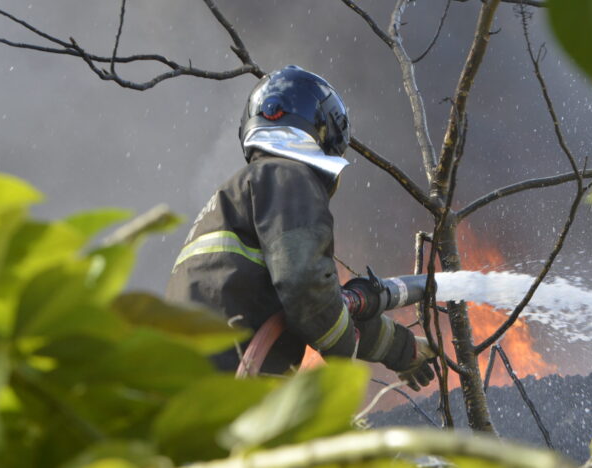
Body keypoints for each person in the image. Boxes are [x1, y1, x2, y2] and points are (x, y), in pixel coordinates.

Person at [166, 66, 435, 390]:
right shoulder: (289, 178)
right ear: (326, 130)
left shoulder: (242, 192)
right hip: (233, 391)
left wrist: (403, 348)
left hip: (190, 385)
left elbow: (321, 307)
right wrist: (343, 346)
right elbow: (309, 295)